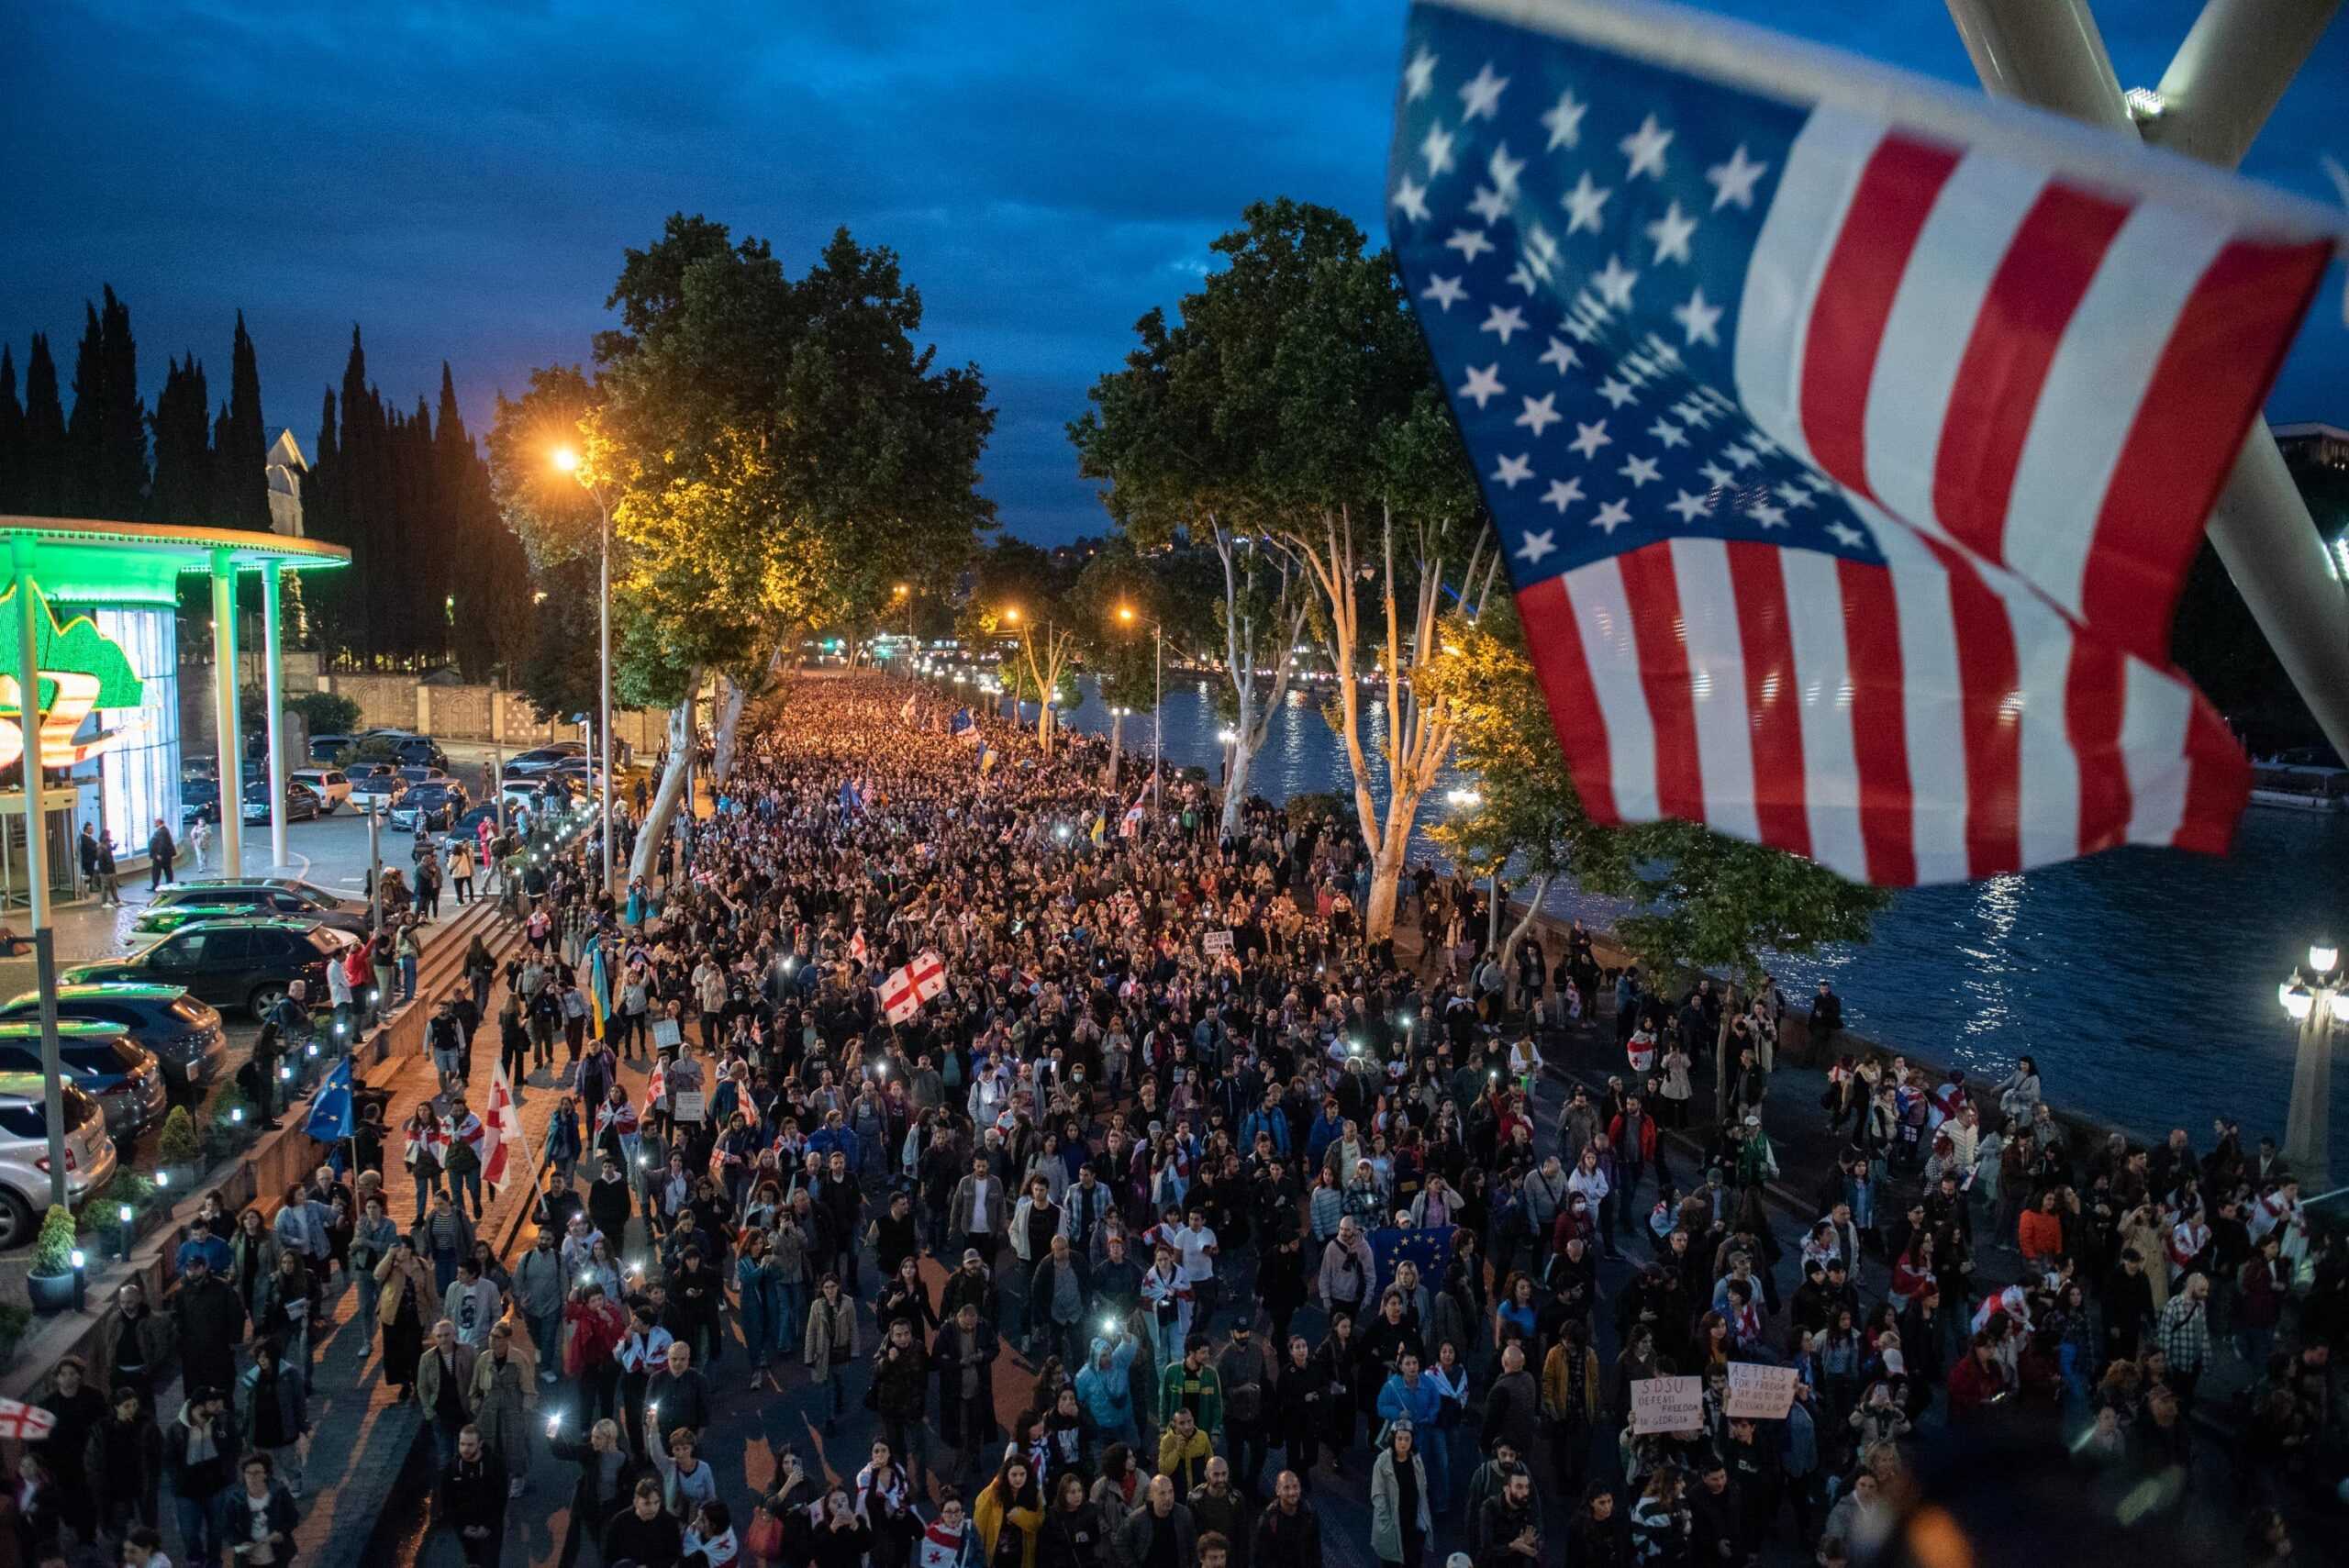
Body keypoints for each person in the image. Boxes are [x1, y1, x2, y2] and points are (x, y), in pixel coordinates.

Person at [162, 1386, 238, 1566]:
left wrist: (228, 1470)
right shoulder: (176, 1429)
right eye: (212, 1404)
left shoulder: (223, 1421)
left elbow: (234, 1446)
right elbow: (168, 1460)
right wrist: (178, 1481)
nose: (217, 1407)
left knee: (217, 1529)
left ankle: (214, 1561)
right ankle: (196, 1558)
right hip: (188, 1491)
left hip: (217, 1485)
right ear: (198, 1407)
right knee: (189, 1532)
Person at [438, 1424, 509, 1567]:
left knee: (490, 1562)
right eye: (462, 1444)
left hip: (490, 1529)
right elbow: (447, 1502)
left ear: (480, 1444)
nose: (465, 1449)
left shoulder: (495, 1466)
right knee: (472, 1562)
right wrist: (461, 1527)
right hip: (466, 1530)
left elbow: (500, 1499)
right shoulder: (451, 1470)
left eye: (470, 1445)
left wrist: (488, 1525)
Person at [212, 1451, 298, 1567]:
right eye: (248, 1473)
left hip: (276, 1546)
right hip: (247, 1547)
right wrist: (240, 1543)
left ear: (266, 1474)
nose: (252, 1478)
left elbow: (293, 1518)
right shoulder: (234, 1497)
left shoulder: (279, 1492)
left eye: (257, 1473)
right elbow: (225, 1526)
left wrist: (281, 1534)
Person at [1370, 1420, 1432, 1568]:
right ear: (1393, 1439)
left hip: (1412, 1521)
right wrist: (1385, 1522)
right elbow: (1378, 1494)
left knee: (1413, 1561)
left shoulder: (1416, 1459)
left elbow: (1423, 1488)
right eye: (1399, 1438)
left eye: (1407, 1439)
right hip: (1392, 1521)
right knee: (1390, 1562)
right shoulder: (1382, 1462)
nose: (1403, 1443)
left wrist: (1422, 1517)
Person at [973, 1456, 1043, 1568]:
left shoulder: (1035, 1493)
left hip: (1022, 1557)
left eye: (1022, 1474)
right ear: (1007, 1475)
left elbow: (1039, 1522)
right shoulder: (992, 1493)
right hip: (997, 1557)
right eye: (1014, 1475)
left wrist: (1021, 1516)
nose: (1018, 1479)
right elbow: (978, 1526)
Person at [1111, 1474, 1193, 1568]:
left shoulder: (1183, 1514)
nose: (1168, 1498)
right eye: (1162, 1493)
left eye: (1171, 1492)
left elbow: (1193, 1545)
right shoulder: (1137, 1518)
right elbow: (1120, 1542)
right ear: (1152, 1495)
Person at [1252, 1471, 1323, 1568]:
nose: (1292, 1492)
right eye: (1286, 1488)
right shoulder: (1267, 1521)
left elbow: (1316, 1553)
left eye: (1295, 1487)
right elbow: (1261, 1560)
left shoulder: (1310, 1515)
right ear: (1278, 1491)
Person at [148, 817, 176, 888]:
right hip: (166, 855)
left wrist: (159, 854)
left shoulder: (161, 831)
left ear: (158, 822)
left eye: (155, 822)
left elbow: (161, 843)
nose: (154, 823)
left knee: (156, 871)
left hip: (161, 855)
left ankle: (155, 885)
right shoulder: (165, 830)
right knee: (167, 869)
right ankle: (169, 883)